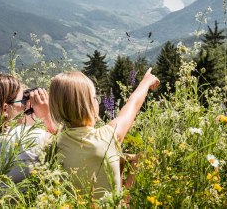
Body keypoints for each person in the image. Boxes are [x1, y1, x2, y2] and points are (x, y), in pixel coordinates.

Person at [50, 68, 159, 199]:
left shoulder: (55, 143)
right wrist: (146, 82)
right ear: (88, 103)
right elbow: (133, 104)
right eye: (95, 97)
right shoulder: (106, 137)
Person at [0, 73, 56, 202]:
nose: (24, 104)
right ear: (4, 109)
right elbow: (62, 145)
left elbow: (4, 128)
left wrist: (19, 106)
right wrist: (45, 116)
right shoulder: (32, 138)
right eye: (22, 101)